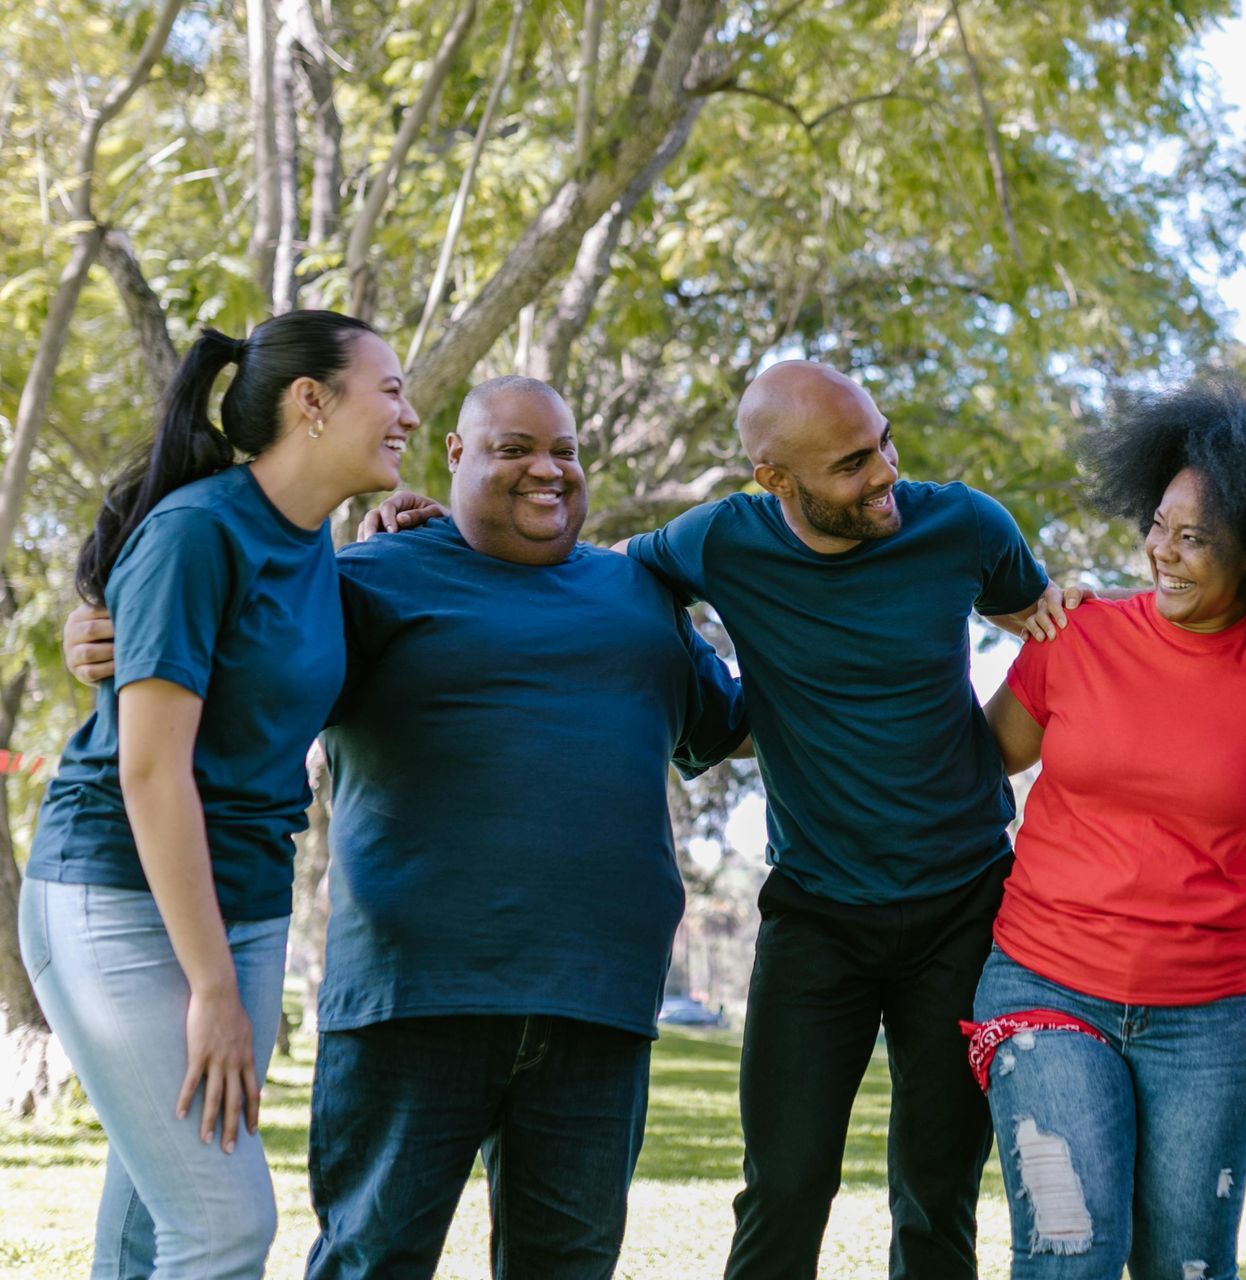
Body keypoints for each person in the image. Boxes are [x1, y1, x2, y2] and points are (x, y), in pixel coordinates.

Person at [356, 358, 1065, 1279]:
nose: (886, 472)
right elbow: (583, 568)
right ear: (775, 480)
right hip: (817, 915)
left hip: (967, 905)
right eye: (852, 464)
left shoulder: (963, 524)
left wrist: (1074, 615)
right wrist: (444, 529)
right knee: (784, 1188)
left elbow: (1040, 613)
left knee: (937, 1190)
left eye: (883, 442)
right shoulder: (717, 542)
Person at [63, 376, 748, 1280]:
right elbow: (219, 656)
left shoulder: (641, 595)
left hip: (600, 1002)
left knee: (571, 1264)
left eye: (565, 452)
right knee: (371, 1261)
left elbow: (732, 722)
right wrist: (100, 630)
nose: (546, 470)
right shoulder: (369, 579)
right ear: (456, 457)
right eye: (512, 450)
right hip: (412, 998)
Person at [22, 311, 418, 1278]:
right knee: (225, 1225)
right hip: (117, 895)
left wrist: (393, 539)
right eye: (392, 389)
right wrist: (210, 990)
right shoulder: (198, 532)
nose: (409, 413)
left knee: (153, 1222)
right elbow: (151, 770)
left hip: (242, 902)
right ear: (310, 402)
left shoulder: (314, 548)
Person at [970, 375, 1246, 1279]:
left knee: (1187, 1266)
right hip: (1048, 986)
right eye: (1157, 525)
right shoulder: (1076, 635)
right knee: (1072, 1249)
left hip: (1210, 1020)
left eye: (1195, 540)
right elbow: (975, 764)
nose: (1163, 553)